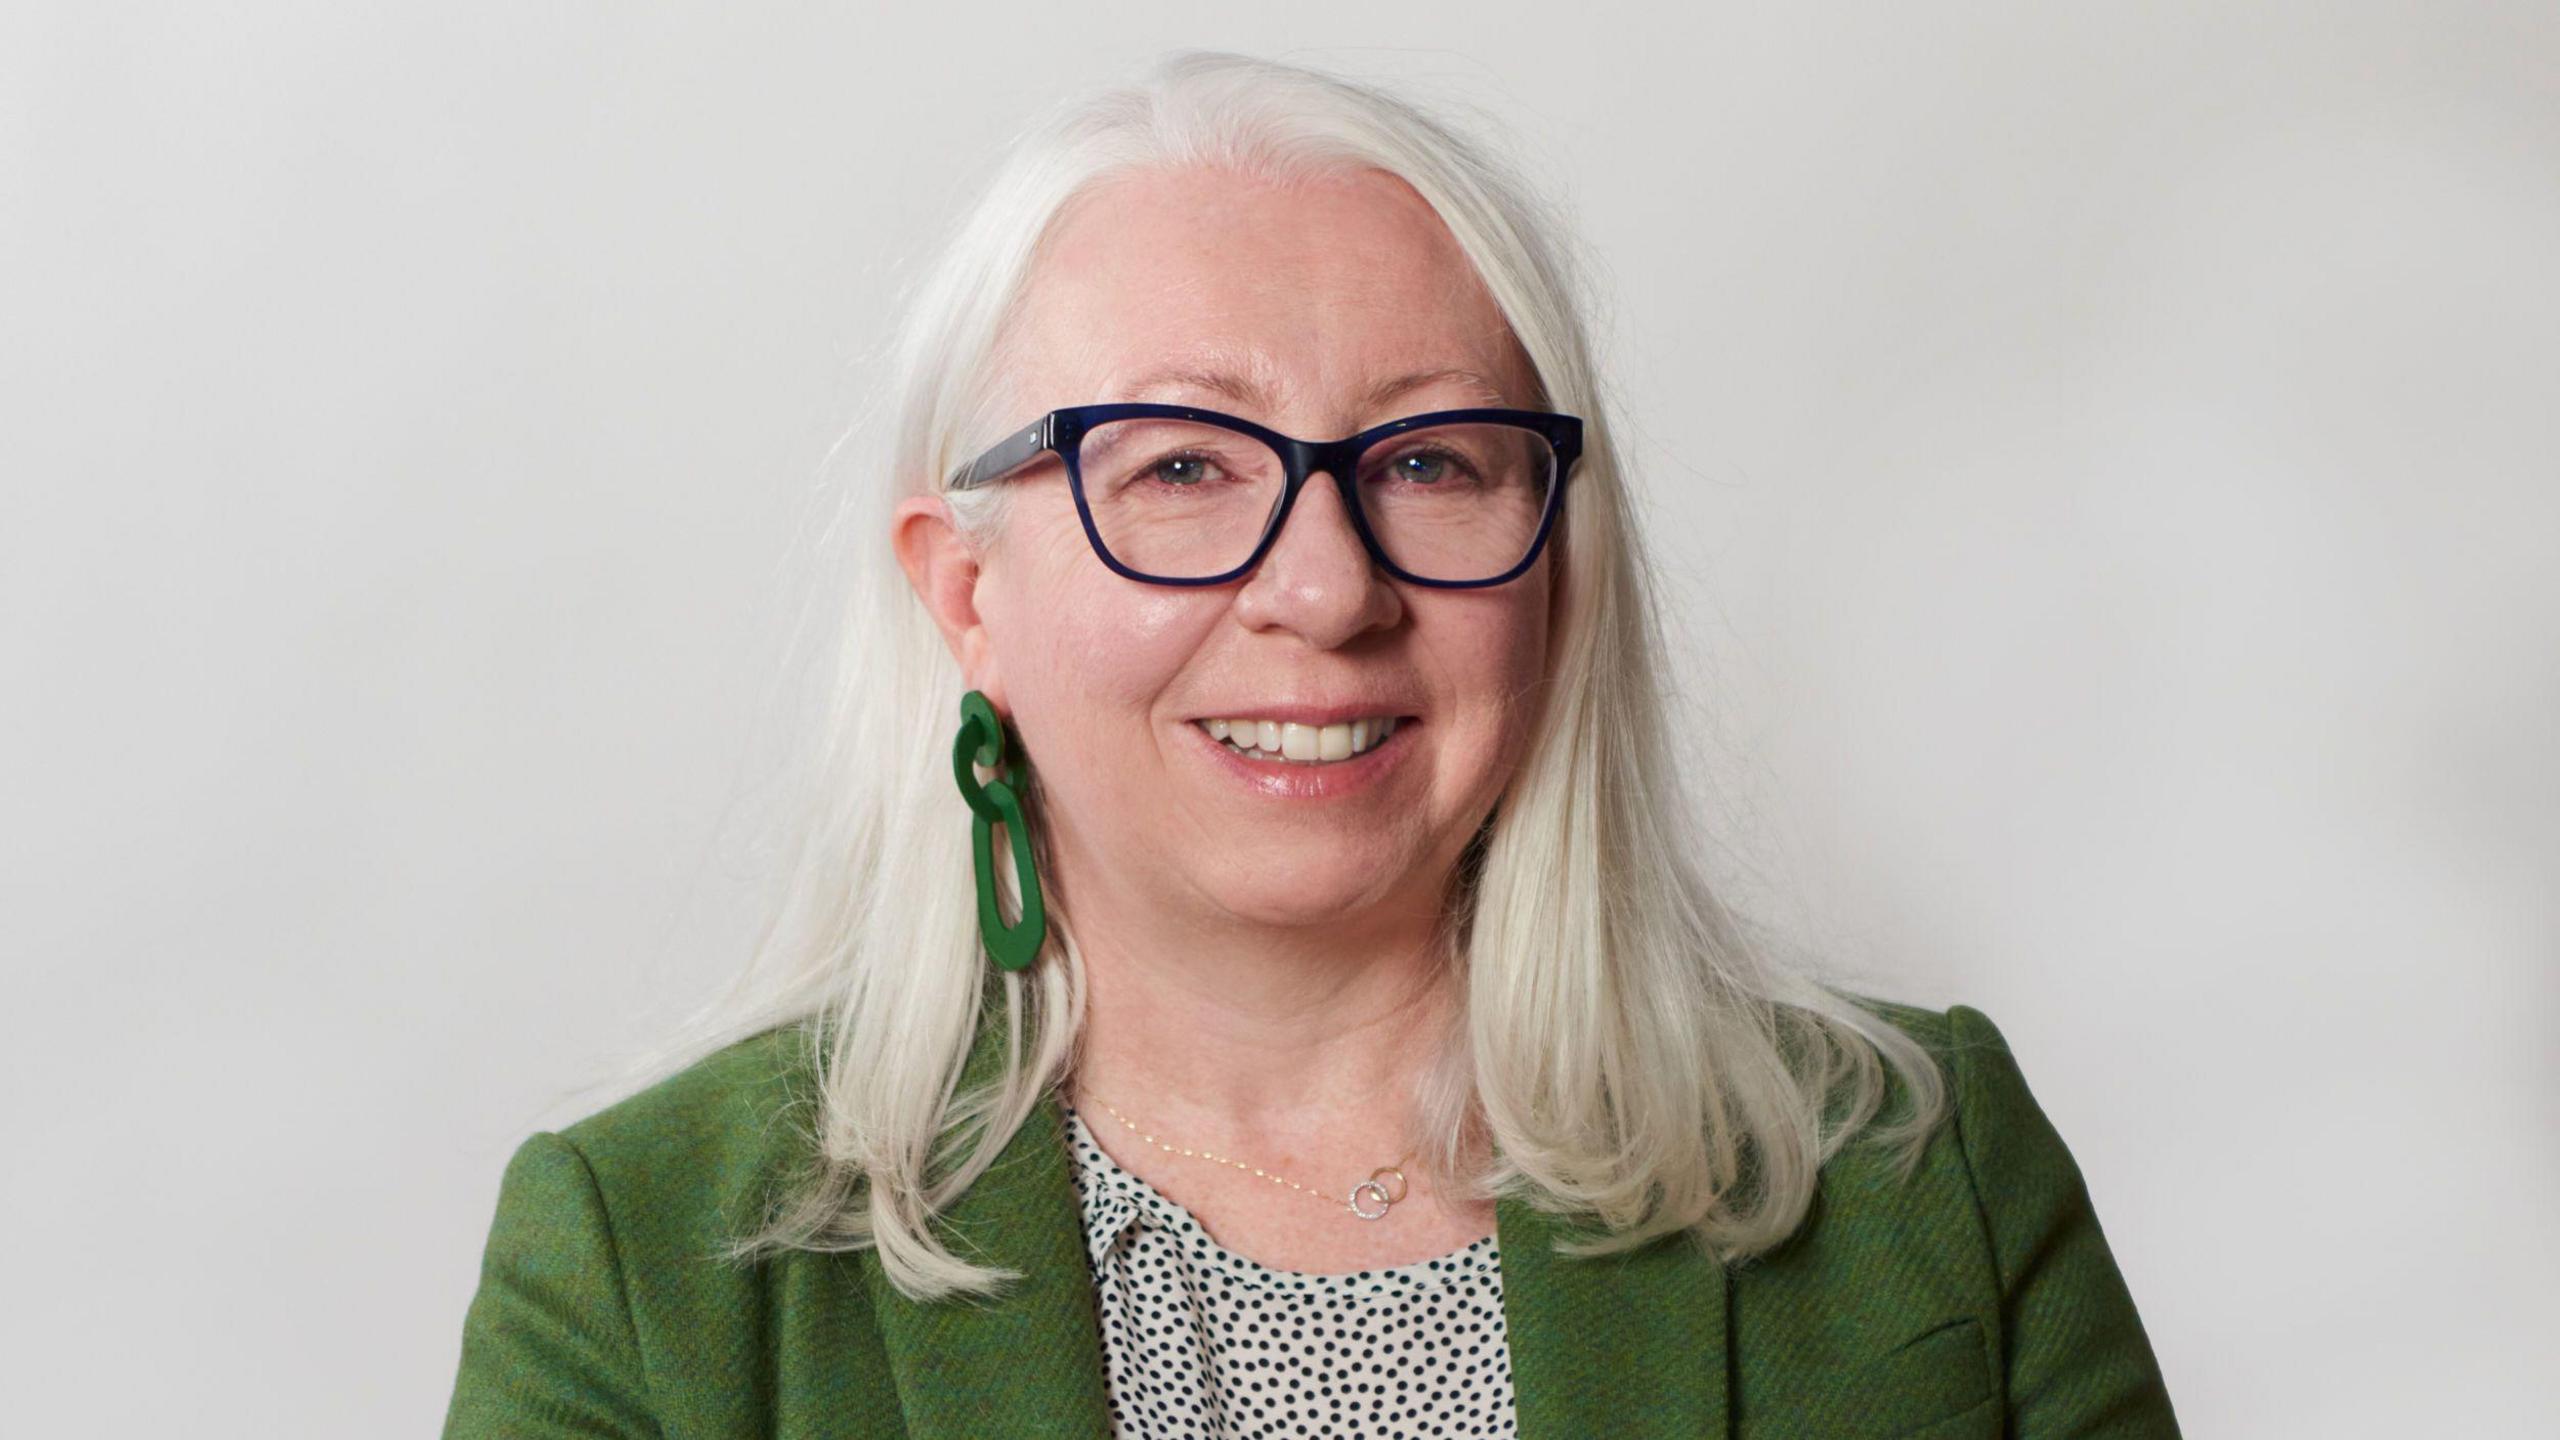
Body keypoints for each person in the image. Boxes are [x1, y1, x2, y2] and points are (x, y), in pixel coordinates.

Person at [441, 50, 2181, 1439]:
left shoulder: (1914, 1175)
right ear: (966, 596)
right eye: (1182, 470)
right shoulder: (643, 1258)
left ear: (1557, 570)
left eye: (1430, 463)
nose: (1328, 588)